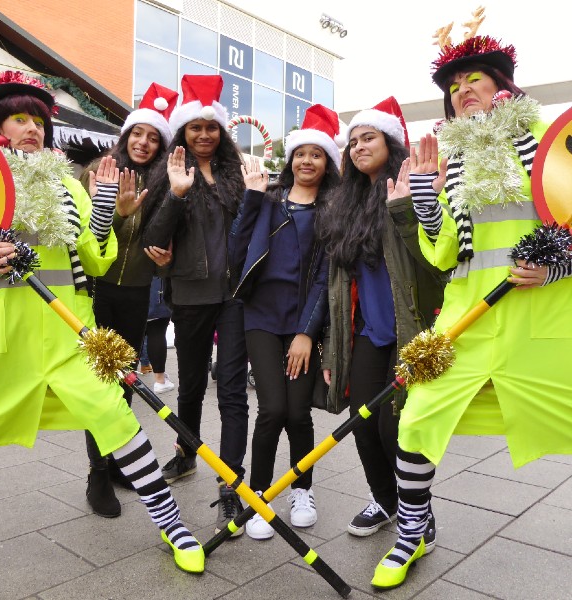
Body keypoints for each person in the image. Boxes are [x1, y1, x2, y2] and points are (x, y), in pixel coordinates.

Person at [0, 70, 204, 573]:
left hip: (69, 333)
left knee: (118, 419)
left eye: (38, 119)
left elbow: (96, 261)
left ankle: (172, 525)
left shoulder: (66, 184)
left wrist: (102, 210)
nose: (31, 127)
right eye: (18, 118)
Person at [371, 25, 572, 591]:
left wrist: (556, 265)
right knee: (416, 419)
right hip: (467, 323)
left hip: (545, 324)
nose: (462, 90)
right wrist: (425, 203)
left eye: (473, 80)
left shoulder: (548, 137)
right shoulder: (448, 155)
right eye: (453, 85)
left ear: (501, 84)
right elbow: (443, 256)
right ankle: (412, 530)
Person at [320, 98, 445, 541]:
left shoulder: (412, 187)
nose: (357, 148)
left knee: (396, 424)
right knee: (361, 420)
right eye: (352, 142)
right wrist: (334, 346)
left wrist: (407, 207)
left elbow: (434, 264)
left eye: (367, 137)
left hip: (410, 328)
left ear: (390, 142)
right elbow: (338, 287)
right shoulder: (343, 204)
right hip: (368, 333)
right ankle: (386, 500)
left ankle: (417, 510)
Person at [142, 74, 249, 536]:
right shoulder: (167, 172)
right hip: (188, 294)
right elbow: (153, 238)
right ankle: (187, 454)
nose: (204, 135)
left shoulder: (235, 173)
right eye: (194, 128)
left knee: (230, 391)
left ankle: (230, 482)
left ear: (221, 132)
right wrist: (177, 193)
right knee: (188, 387)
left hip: (235, 297)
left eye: (211, 127)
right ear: (183, 133)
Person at [229, 105, 342, 540]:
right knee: (272, 408)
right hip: (259, 316)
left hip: (301, 322)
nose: (307, 161)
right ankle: (259, 497)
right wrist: (252, 197)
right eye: (301, 154)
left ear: (326, 162)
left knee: (298, 413)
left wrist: (305, 334)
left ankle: (302, 490)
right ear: (290, 159)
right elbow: (238, 248)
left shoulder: (332, 211)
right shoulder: (270, 198)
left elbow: (324, 280)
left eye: (317, 154)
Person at [81, 82, 177, 518]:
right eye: (137, 134)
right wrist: (117, 216)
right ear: (126, 137)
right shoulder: (96, 173)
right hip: (99, 292)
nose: (143, 142)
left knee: (124, 381)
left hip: (138, 293)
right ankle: (97, 473)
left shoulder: (164, 185)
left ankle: (120, 459)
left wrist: (164, 261)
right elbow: (87, 241)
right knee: (97, 386)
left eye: (153, 137)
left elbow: (157, 247)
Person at [144, 275, 175, 394]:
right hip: (155, 282)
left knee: (133, 332)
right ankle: (160, 380)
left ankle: (128, 377)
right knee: (156, 330)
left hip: (129, 285)